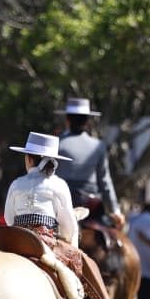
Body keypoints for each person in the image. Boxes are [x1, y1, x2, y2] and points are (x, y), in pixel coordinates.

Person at [1, 132, 113, 299]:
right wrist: (72, 246)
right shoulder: (58, 185)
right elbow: (69, 226)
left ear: (28, 159)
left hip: (15, 240)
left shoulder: (16, 184)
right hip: (45, 242)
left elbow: (9, 219)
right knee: (84, 261)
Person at [55, 98, 124, 228]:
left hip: (61, 203)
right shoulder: (99, 146)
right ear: (87, 122)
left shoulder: (56, 144)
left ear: (67, 120)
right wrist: (115, 211)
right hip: (91, 205)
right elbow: (105, 182)